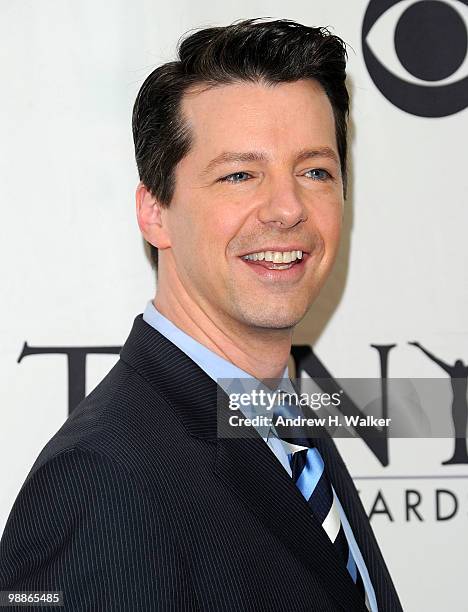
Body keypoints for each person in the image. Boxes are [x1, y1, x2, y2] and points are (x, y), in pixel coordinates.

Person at [0, 18, 402, 611]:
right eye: (240, 175)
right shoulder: (99, 484)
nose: (288, 208)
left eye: (315, 171)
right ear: (154, 211)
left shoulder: (288, 429)